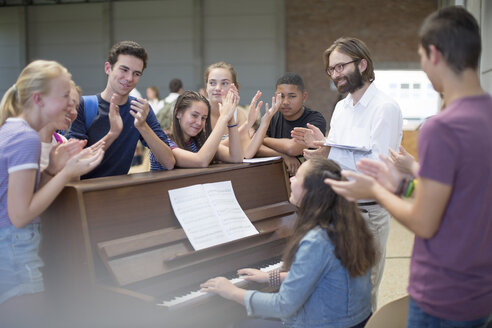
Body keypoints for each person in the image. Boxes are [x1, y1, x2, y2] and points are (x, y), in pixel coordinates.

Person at [325, 6, 492, 327]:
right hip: (480, 288)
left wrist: (376, 188)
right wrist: (409, 179)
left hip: (444, 290)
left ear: (434, 54)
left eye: (420, 56)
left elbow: (424, 222)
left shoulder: (441, 128)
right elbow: (462, 195)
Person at [292, 37, 402, 310]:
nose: (336, 74)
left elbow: (377, 170)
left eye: (341, 66)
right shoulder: (341, 107)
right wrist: (322, 147)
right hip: (339, 209)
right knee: (341, 289)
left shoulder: (384, 108)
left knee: (364, 293)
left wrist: (329, 153)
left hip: (368, 211)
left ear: (362, 64)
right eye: (332, 69)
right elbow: (338, 156)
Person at [200, 158, 375, 328]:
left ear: (310, 191)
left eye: (297, 176)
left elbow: (283, 305)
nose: (291, 179)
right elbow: (320, 274)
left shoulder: (316, 240)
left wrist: (232, 291)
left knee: (240, 323)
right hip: (357, 321)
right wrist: (270, 277)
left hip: (326, 323)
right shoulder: (347, 223)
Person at [0, 60, 104, 308]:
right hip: (15, 247)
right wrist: (66, 173)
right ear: (38, 99)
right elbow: (20, 214)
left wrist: (52, 169)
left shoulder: (12, 130)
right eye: (65, 96)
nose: (71, 104)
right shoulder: (27, 138)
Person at [67, 40, 176, 179]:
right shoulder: (84, 105)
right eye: (124, 70)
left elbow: (168, 162)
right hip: (84, 193)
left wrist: (143, 127)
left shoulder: (140, 110)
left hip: (119, 192)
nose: (129, 78)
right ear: (108, 68)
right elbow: (74, 164)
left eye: (136, 74)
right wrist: (112, 134)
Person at [150, 90, 243, 169]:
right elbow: (201, 161)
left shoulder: (199, 141)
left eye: (203, 118)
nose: (199, 122)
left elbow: (236, 158)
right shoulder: (164, 142)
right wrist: (223, 118)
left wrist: (230, 118)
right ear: (178, 113)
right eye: (194, 115)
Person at [257, 72, 327, 176]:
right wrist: (283, 156)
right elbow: (255, 148)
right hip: (277, 177)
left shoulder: (315, 120)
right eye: (281, 96)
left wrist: (263, 139)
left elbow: (292, 148)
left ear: (304, 97)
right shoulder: (271, 116)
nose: (285, 102)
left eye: (292, 96)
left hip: (310, 179)